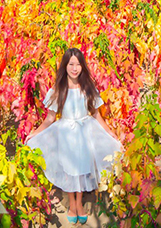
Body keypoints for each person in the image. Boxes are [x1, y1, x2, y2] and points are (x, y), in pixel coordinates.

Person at [25, 48, 122, 224]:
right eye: (71, 64)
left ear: (82, 67)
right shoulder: (58, 89)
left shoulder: (87, 88)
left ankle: (79, 202)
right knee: (70, 168)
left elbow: (96, 115)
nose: (75, 68)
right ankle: (72, 203)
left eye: (78, 64)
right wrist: (35, 133)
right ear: (65, 66)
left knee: (82, 167)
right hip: (66, 132)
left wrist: (109, 132)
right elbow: (50, 118)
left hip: (85, 131)